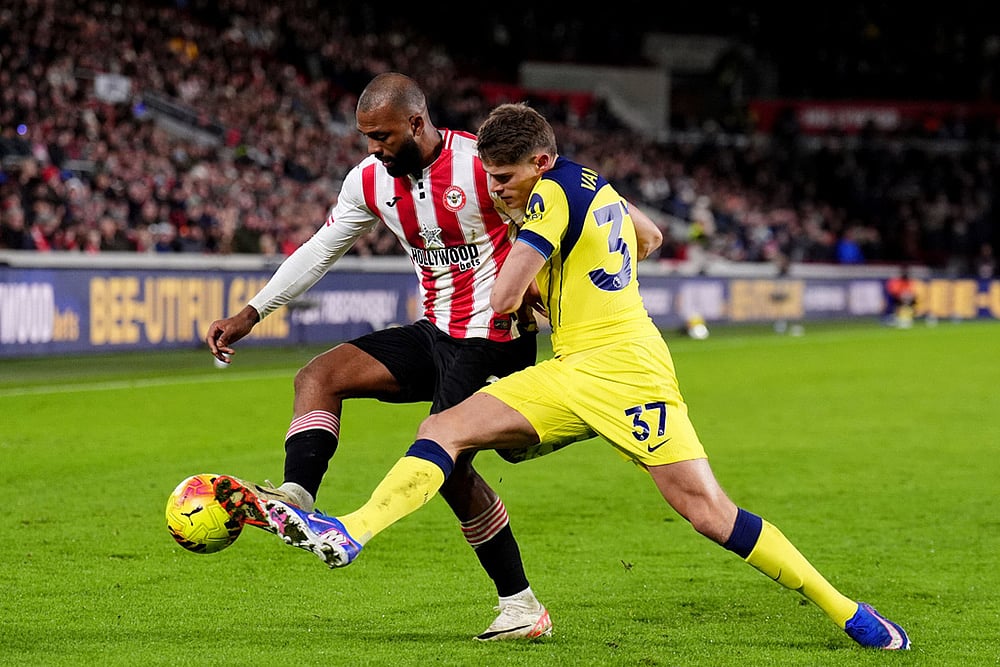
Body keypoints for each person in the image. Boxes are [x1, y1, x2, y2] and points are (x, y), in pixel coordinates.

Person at [216, 102, 911, 650]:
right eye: (489, 179)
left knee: (704, 510)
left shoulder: (547, 197)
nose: (498, 190)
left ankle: (841, 605)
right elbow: (651, 236)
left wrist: (530, 261)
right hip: (619, 363)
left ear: (539, 162)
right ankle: (855, 616)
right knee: (449, 430)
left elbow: (506, 297)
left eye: (507, 178)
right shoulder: (590, 181)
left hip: (600, 368)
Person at [205, 74, 662, 642]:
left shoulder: (483, 165)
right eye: (366, 136)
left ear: (417, 124)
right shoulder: (369, 181)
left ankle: (521, 603)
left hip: (494, 338)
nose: (373, 147)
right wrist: (253, 312)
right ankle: (296, 500)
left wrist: (540, 294)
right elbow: (321, 249)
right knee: (319, 376)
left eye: (383, 135)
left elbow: (565, 220)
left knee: (449, 461)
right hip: (436, 331)